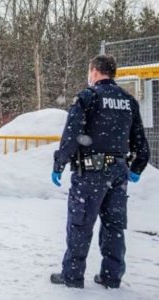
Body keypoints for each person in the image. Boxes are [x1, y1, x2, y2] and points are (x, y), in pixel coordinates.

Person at [50, 55, 150, 289]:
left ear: (94, 71)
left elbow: (72, 134)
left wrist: (59, 162)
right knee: (114, 226)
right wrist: (137, 166)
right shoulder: (128, 100)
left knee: (80, 224)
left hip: (91, 172)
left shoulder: (88, 97)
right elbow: (139, 140)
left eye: (89, 70)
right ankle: (111, 276)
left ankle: (72, 276)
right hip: (118, 171)